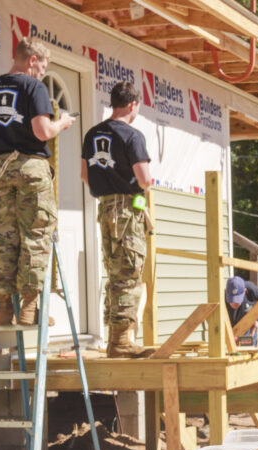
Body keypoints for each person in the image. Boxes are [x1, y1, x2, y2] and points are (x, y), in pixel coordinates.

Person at [0, 37, 76, 326]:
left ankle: (4, 308)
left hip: (0, 169)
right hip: (31, 167)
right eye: (42, 67)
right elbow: (42, 132)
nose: (43, 73)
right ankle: (29, 309)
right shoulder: (33, 87)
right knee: (35, 235)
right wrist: (62, 124)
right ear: (31, 61)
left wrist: (7, 135)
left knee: (4, 236)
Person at [80, 81, 152, 358]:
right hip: (126, 210)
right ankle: (121, 342)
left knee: (113, 272)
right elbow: (145, 180)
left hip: (104, 207)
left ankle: (115, 338)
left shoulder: (91, 134)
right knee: (128, 273)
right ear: (133, 104)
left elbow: (85, 176)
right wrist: (145, 184)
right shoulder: (132, 136)